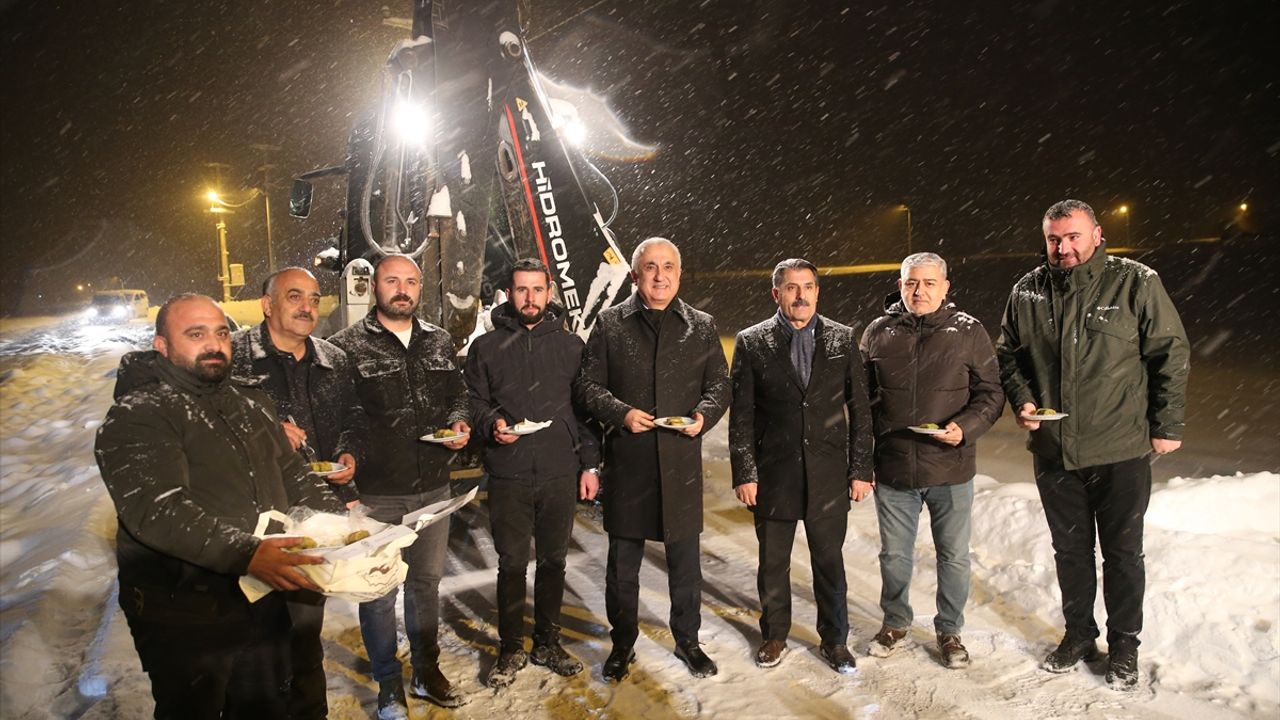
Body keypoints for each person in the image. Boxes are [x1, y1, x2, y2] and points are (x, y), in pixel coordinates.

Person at [95, 293, 344, 719]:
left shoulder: (249, 401)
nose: (214, 344)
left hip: (261, 597)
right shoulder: (139, 413)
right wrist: (247, 554)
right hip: (186, 612)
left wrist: (344, 528)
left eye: (222, 333)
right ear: (162, 346)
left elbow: (293, 475)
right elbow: (159, 510)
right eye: (196, 334)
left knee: (266, 708)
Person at [995, 199, 1189, 690]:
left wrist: (1166, 424)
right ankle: (1079, 635)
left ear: (1097, 235)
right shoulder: (1027, 291)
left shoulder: (1135, 282)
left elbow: (1169, 352)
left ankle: (1125, 645)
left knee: (1123, 554)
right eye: (1054, 239)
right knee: (1070, 552)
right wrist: (1022, 399)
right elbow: (1008, 355)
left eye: (1073, 237)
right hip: (1054, 450)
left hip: (1120, 448)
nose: (1063, 248)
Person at [575, 237, 731, 681]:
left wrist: (703, 417)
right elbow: (587, 387)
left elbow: (720, 386)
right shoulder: (611, 324)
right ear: (635, 274)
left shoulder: (701, 325)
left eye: (668, 267)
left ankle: (688, 641)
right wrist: (621, 413)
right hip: (629, 463)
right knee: (622, 569)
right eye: (650, 267)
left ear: (679, 274)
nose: (660, 276)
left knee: (685, 568)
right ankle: (623, 643)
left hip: (680, 464)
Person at [329, 254, 472, 718]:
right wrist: (347, 476)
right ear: (375, 286)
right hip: (377, 495)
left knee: (425, 586)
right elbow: (340, 417)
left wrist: (459, 421)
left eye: (411, 281)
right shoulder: (346, 347)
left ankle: (427, 671)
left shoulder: (438, 339)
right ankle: (389, 683)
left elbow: (458, 395)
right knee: (378, 592)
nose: (402, 289)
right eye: (393, 280)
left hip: (433, 488)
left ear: (420, 286)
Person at [230, 266, 366, 719]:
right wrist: (264, 429)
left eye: (313, 298)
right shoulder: (232, 358)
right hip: (254, 524)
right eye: (294, 297)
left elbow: (352, 418)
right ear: (267, 304)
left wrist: (349, 453)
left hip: (314, 522)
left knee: (305, 638)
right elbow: (202, 428)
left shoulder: (333, 360)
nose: (307, 307)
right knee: (254, 650)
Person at [858, 252, 1004, 669]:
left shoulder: (968, 331)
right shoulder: (879, 332)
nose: (918, 291)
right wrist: (861, 460)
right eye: (910, 283)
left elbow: (991, 393)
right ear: (900, 285)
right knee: (894, 556)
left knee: (953, 556)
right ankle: (895, 622)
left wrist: (965, 428)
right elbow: (861, 401)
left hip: (950, 467)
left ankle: (950, 631)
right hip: (894, 466)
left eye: (928, 283)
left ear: (945, 287)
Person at [729, 258, 873, 674]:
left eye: (808, 287)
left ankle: (835, 640)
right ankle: (775, 635)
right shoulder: (752, 341)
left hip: (828, 475)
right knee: (773, 564)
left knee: (830, 563)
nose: (800, 296)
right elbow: (741, 416)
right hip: (773, 474)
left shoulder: (842, 338)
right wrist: (745, 473)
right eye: (791, 288)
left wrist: (861, 469)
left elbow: (860, 410)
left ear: (817, 291)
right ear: (776, 294)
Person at [463, 258, 601, 688]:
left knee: (554, 561)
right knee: (510, 563)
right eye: (521, 290)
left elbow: (585, 412)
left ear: (549, 292)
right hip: (509, 471)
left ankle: (547, 642)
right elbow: (473, 401)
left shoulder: (572, 346)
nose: (529, 298)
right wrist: (492, 424)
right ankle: (510, 647)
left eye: (537, 289)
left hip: (560, 470)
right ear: (508, 293)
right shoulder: (486, 348)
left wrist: (589, 464)